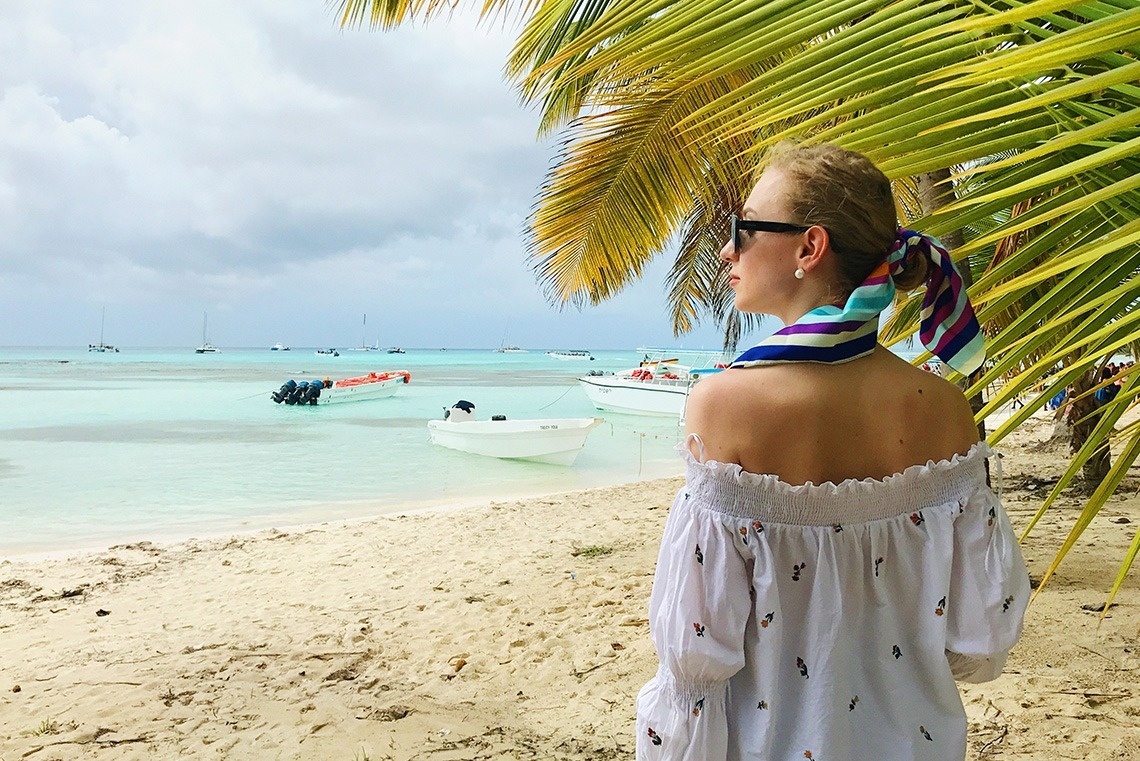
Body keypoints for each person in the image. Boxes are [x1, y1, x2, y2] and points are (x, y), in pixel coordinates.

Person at [635, 143, 1030, 761]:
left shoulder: (723, 405)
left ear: (809, 247)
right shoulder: (945, 407)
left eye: (742, 229)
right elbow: (979, 637)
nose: (726, 250)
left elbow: (696, 648)